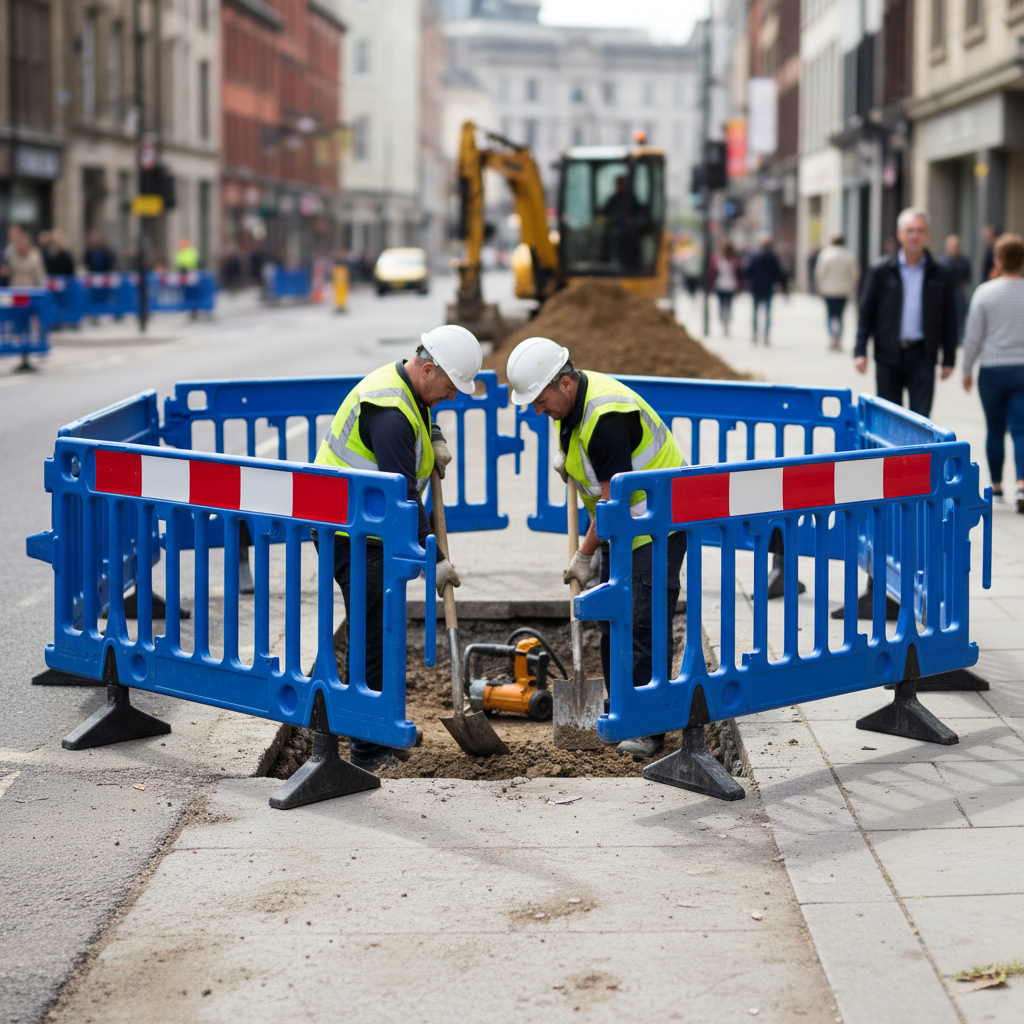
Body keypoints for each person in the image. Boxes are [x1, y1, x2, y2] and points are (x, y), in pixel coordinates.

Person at [505, 336, 687, 759]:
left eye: (540, 399)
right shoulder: (573, 403)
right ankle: (619, 705)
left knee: (643, 622)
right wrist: (568, 457)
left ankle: (649, 722)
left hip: (653, 526)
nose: (536, 409)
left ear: (565, 383)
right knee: (611, 619)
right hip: (624, 528)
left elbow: (614, 503)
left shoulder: (605, 418)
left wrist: (586, 553)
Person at [312, 325, 482, 772]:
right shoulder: (389, 411)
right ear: (427, 369)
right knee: (372, 630)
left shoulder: (407, 387)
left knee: (381, 627)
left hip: (368, 527)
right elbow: (405, 499)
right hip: (349, 531)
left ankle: (381, 728)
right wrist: (437, 561)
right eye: (449, 387)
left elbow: (420, 416)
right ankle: (367, 748)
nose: (451, 397)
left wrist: (436, 434)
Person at [854, 207, 957, 417]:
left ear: (927, 235)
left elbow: (950, 318)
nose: (914, 236)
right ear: (899, 234)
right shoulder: (881, 270)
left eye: (920, 231)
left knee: (920, 419)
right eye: (909, 230)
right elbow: (866, 313)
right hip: (887, 354)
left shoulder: (940, 274)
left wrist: (949, 358)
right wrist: (860, 351)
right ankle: (893, 453)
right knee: (889, 418)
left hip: (923, 355)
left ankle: (916, 453)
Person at [961, 233, 1024, 513]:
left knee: (995, 429)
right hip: (1022, 369)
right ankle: (1022, 483)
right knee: (1021, 430)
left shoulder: (985, 292)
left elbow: (973, 336)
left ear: (997, 259)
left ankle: (996, 487)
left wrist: (966, 368)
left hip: (992, 370)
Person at [814, 234, 860, 351]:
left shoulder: (826, 255)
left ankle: (832, 337)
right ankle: (838, 338)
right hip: (844, 290)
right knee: (840, 316)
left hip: (828, 290)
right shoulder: (849, 255)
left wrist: (819, 286)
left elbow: (820, 273)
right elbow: (855, 274)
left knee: (830, 315)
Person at [746, 232, 787, 345]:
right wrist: (783, 288)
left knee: (755, 312)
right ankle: (766, 336)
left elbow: (748, 271)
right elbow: (779, 274)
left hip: (756, 288)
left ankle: (754, 335)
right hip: (768, 288)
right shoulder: (773, 257)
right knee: (768, 313)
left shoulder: (754, 256)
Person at [707, 239, 742, 337]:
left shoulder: (734, 260)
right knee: (721, 306)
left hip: (731, 286)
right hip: (720, 285)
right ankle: (723, 323)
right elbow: (711, 273)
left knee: (729, 307)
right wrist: (710, 285)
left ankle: (727, 324)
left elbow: (739, 274)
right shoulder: (717, 259)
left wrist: (740, 287)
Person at [940, 234, 972, 343]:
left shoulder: (963, 260)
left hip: (959, 292)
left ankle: (960, 340)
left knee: (960, 317)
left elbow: (967, 276)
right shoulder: (943, 261)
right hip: (946, 293)